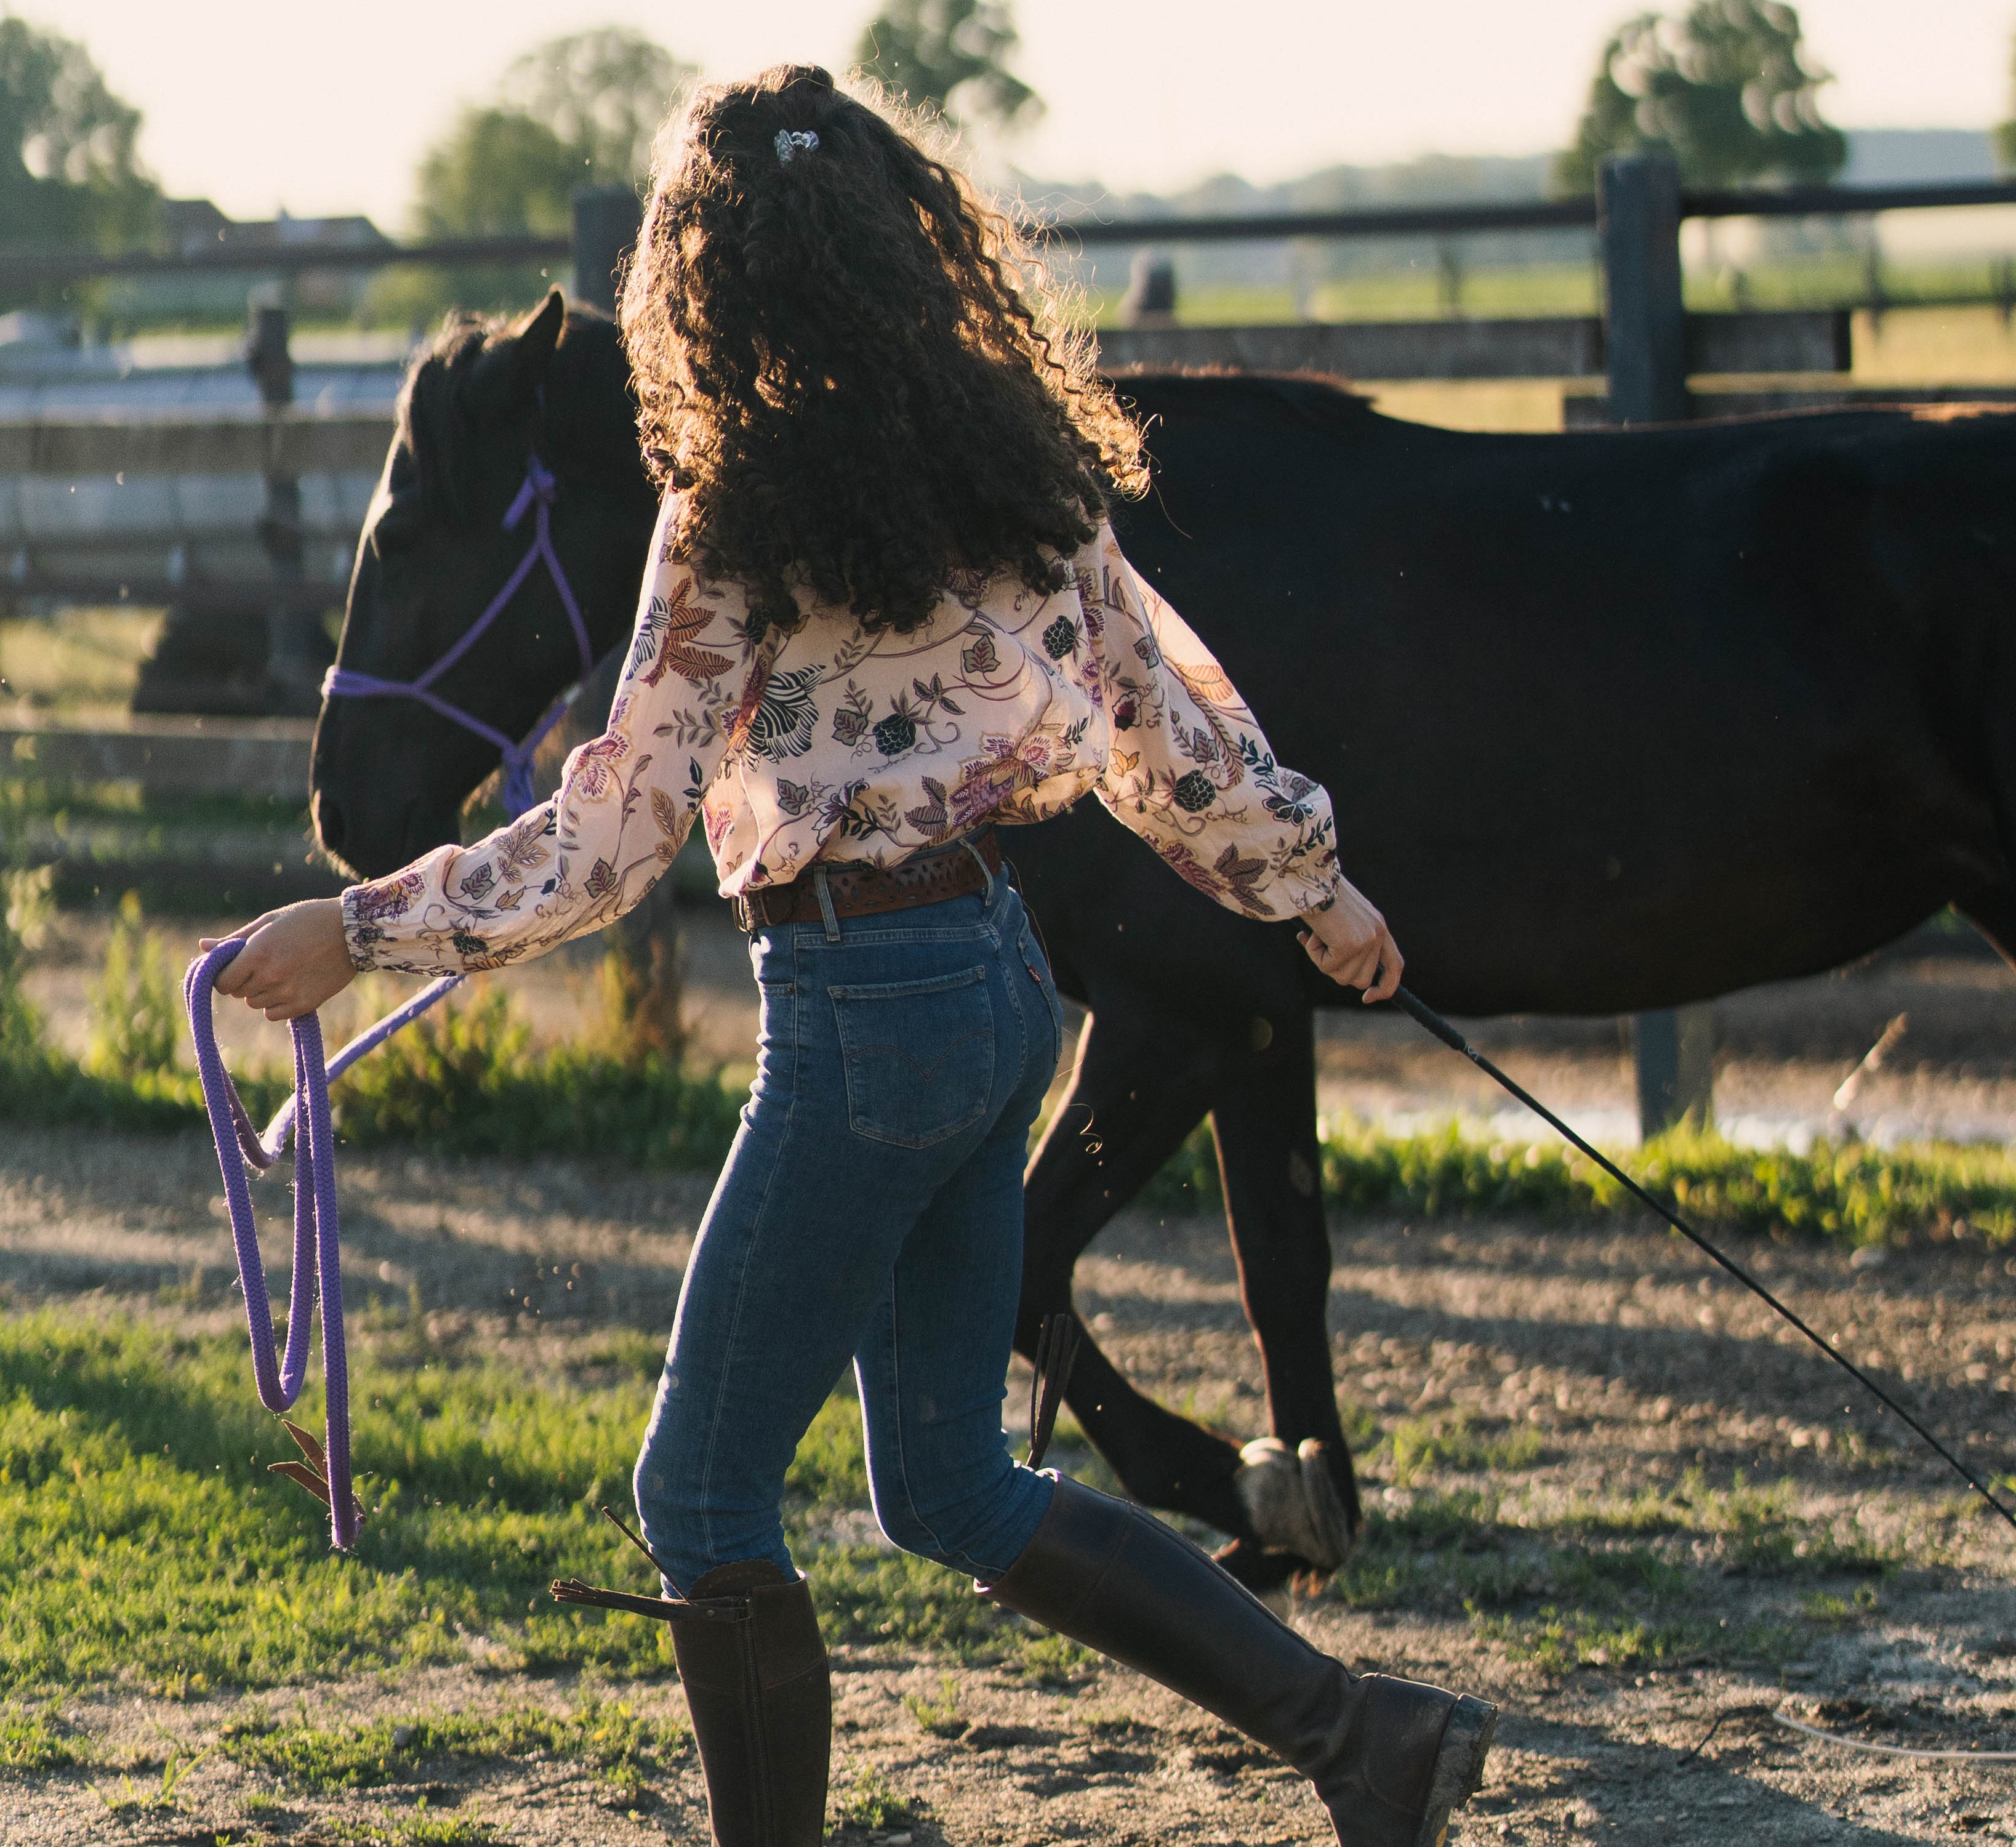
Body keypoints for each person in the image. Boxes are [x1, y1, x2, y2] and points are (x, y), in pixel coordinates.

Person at [207, 62, 1493, 1847]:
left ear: (703, 281)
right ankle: (1368, 1742)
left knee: (701, 1496)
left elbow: (610, 837)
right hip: (991, 984)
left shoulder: (735, 508)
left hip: (866, 1017)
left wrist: (356, 927)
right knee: (951, 1485)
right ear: (909, 246)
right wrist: (1314, 890)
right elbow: (1161, 725)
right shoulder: (1021, 478)